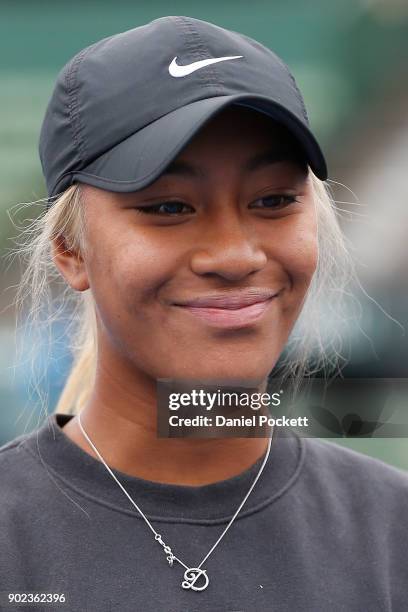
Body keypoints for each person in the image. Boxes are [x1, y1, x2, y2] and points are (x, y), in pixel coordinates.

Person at [1, 15, 407, 612]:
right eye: (168, 206)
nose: (235, 256)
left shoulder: (391, 529)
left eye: (273, 200)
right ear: (71, 250)